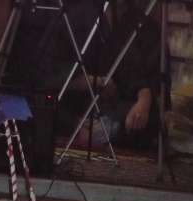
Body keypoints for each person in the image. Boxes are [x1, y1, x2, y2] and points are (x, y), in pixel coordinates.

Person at [23, 0, 167, 150]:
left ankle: (104, 132)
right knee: (41, 106)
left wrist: (143, 102)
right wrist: (91, 82)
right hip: (72, 112)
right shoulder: (74, 16)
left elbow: (149, 81)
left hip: (117, 117)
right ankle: (82, 131)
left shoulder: (147, 27)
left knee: (149, 121)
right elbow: (46, 72)